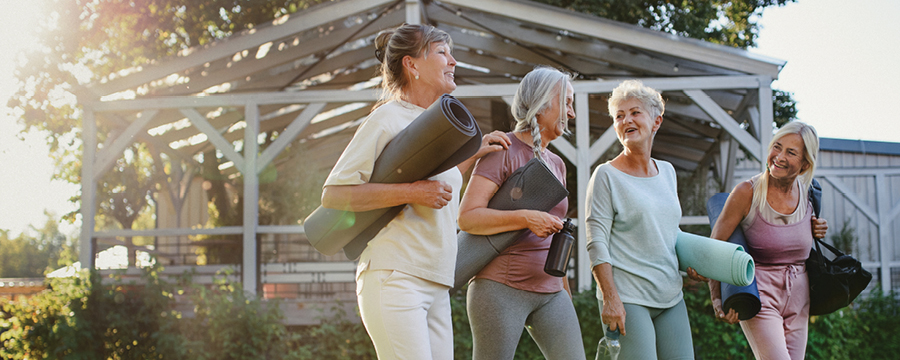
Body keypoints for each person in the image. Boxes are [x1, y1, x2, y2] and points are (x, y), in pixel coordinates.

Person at [320, 23, 509, 360]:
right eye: (442, 53)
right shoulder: (387, 118)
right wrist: (413, 192)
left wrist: (474, 152)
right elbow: (335, 194)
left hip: (436, 280)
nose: (453, 62)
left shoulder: (433, 127)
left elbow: (437, 188)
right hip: (395, 276)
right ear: (412, 65)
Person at [457, 66, 585, 360]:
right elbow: (467, 217)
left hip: (552, 291)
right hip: (500, 290)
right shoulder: (504, 148)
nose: (572, 113)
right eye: (567, 102)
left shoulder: (557, 164)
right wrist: (526, 217)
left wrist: (564, 292)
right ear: (543, 103)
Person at [584, 79, 705, 360]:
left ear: (656, 121)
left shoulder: (668, 172)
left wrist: (692, 264)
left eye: (635, 112)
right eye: (619, 116)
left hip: (671, 296)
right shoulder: (606, 175)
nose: (626, 120)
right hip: (628, 299)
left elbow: (669, 232)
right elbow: (595, 240)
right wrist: (610, 297)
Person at [707, 121, 828, 360]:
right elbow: (715, 246)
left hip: (799, 296)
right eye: (777, 147)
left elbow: (801, 239)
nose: (779, 157)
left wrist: (819, 228)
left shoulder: (809, 194)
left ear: (805, 165)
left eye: (791, 152)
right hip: (760, 293)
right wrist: (717, 297)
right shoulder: (746, 192)